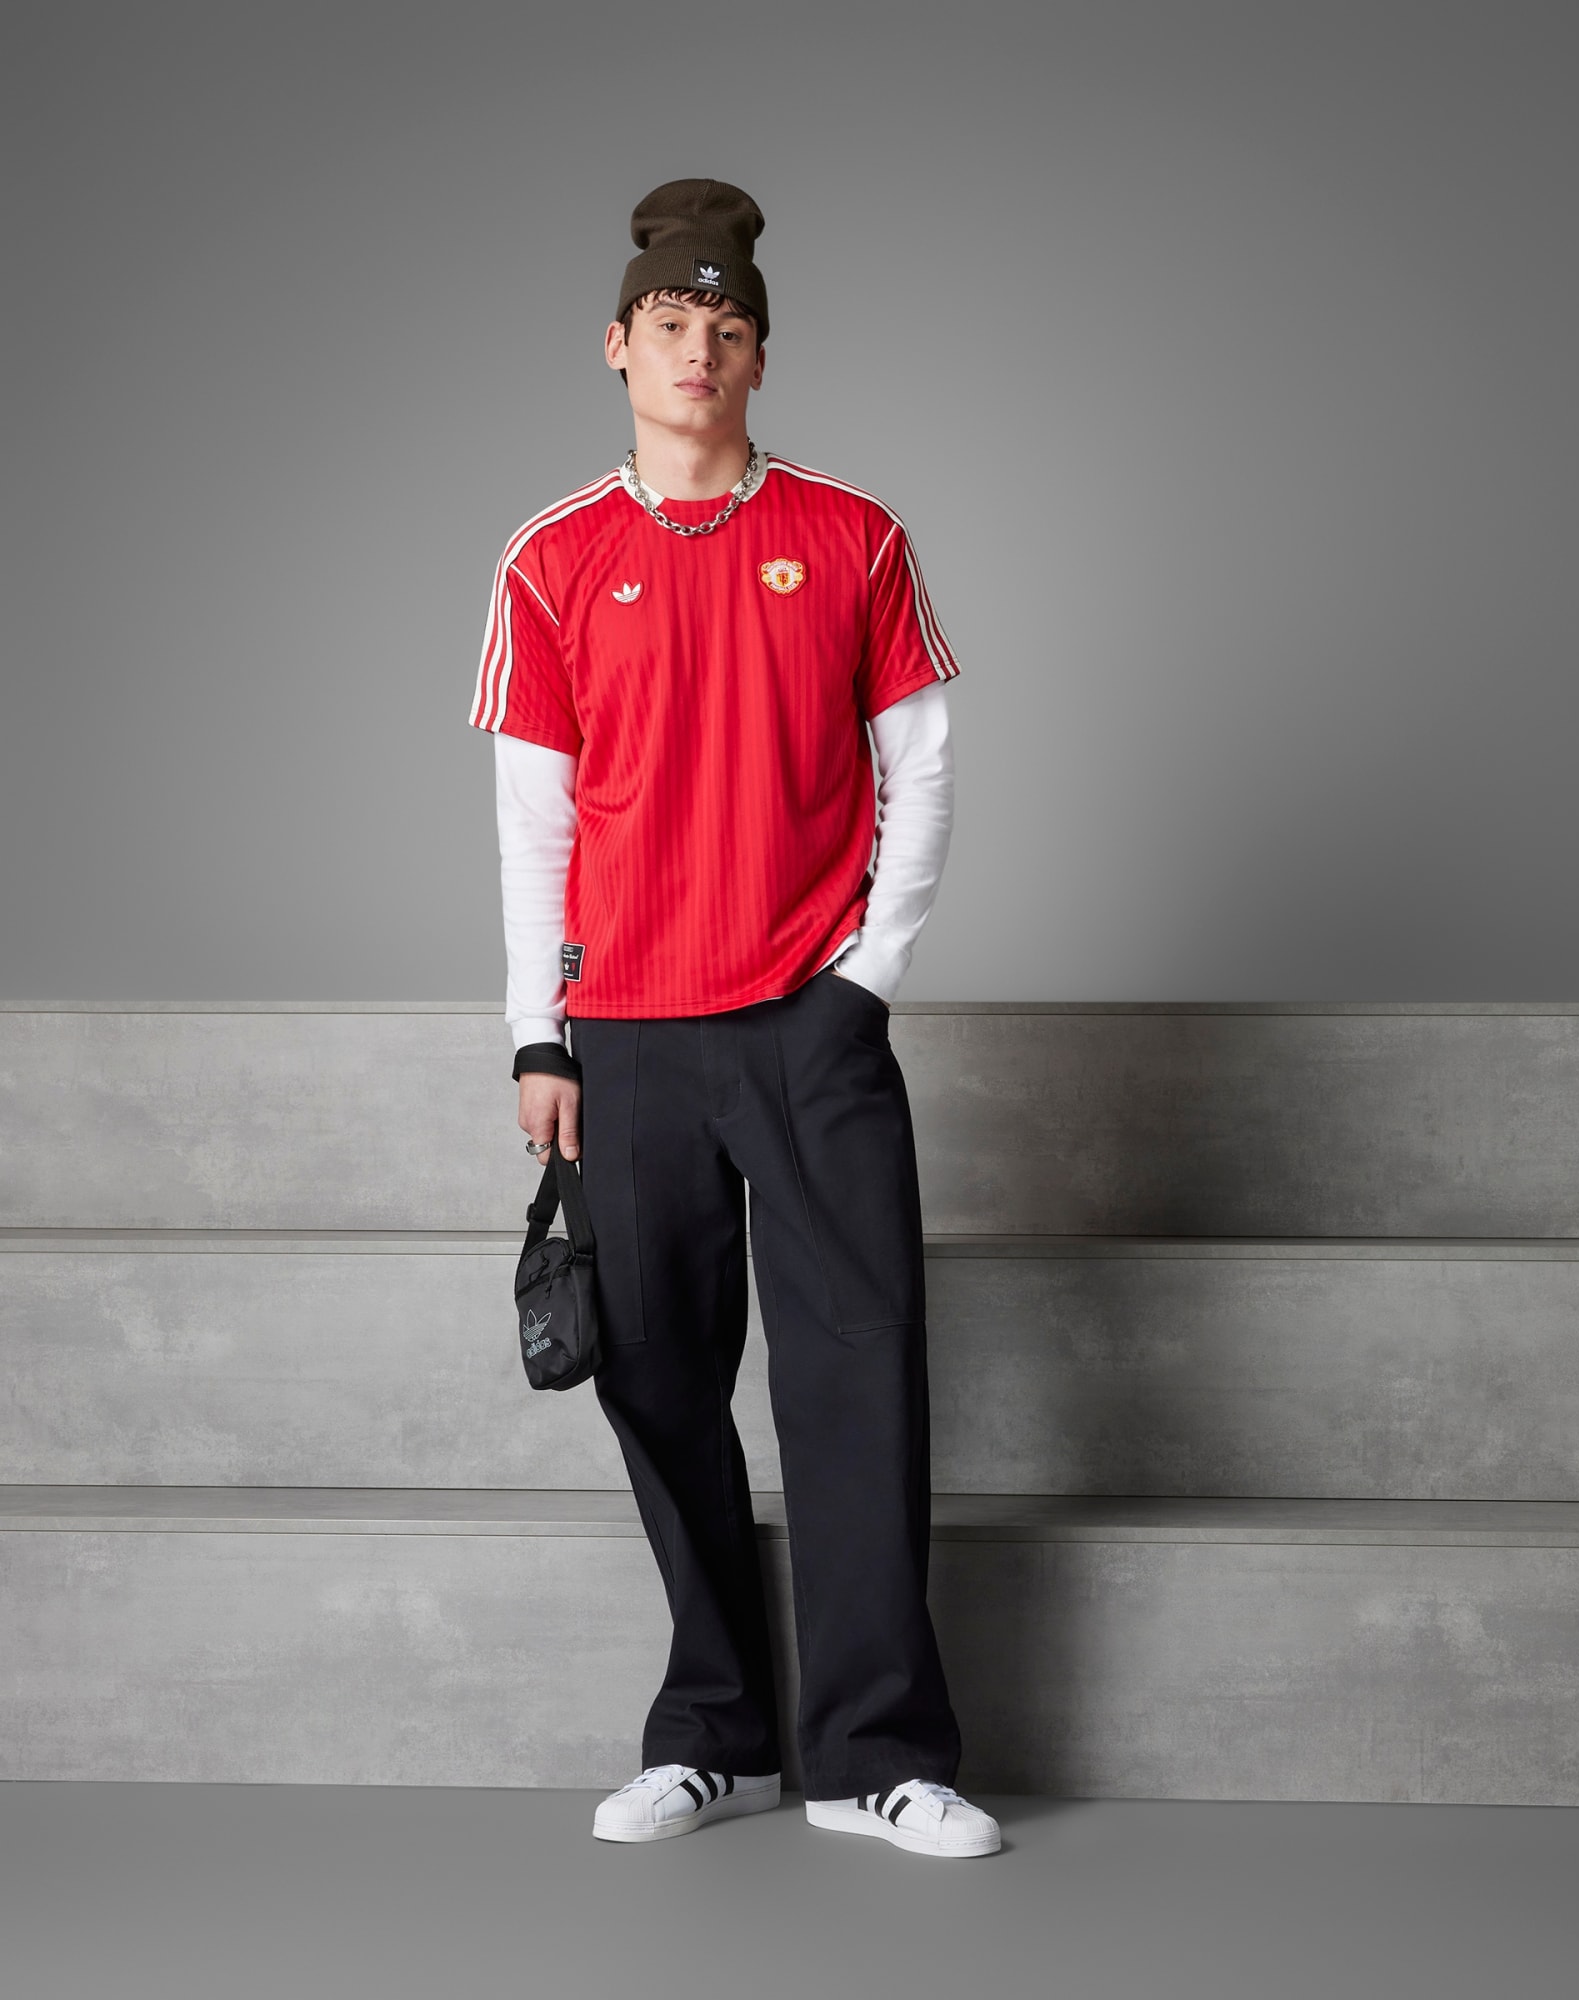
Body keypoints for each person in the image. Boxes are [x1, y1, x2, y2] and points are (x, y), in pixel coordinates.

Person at [468, 178, 998, 1861]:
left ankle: (878, 1754)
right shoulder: (553, 558)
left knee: (859, 1371)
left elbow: (922, 773)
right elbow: (535, 822)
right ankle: (716, 1736)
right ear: (616, 345)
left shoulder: (853, 538)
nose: (698, 352)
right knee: (657, 1379)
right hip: (626, 1030)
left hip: (808, 1024)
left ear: (762, 355)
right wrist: (539, 1034)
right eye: (670, 324)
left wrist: (867, 980)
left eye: (729, 328)